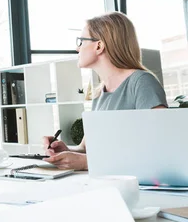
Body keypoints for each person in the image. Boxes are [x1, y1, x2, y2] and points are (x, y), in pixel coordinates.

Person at [43, 12, 167, 170]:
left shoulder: (142, 83)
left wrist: (86, 163)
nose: (77, 48)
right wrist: (64, 151)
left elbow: (160, 149)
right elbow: (87, 149)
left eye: (81, 41)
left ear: (99, 46)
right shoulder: (100, 92)